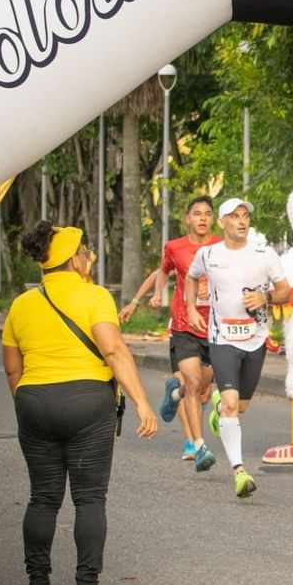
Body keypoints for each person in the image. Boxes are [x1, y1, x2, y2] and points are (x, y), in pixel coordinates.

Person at [3, 222, 158, 585]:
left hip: (34, 401)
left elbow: (13, 369)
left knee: (42, 497)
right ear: (74, 260)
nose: (88, 256)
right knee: (89, 497)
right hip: (88, 402)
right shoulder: (95, 296)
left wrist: (32, 405)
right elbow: (114, 351)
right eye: (85, 251)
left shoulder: (21, 305)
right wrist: (142, 403)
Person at [186, 198, 291, 498]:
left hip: (256, 339)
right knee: (233, 403)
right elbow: (191, 278)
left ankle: (219, 407)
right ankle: (239, 471)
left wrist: (265, 298)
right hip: (222, 338)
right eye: (234, 216)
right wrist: (191, 308)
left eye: (245, 216)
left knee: (239, 406)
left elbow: (285, 291)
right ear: (222, 222)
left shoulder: (264, 253)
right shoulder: (208, 254)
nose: (242, 221)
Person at [121, 196, 220, 463]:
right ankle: (193, 444)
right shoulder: (176, 248)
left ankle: (174, 394)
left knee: (202, 391)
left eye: (207, 213)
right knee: (192, 383)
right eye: (197, 213)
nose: (202, 218)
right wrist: (152, 296)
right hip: (183, 325)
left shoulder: (221, 247)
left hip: (213, 327)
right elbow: (161, 272)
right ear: (188, 218)